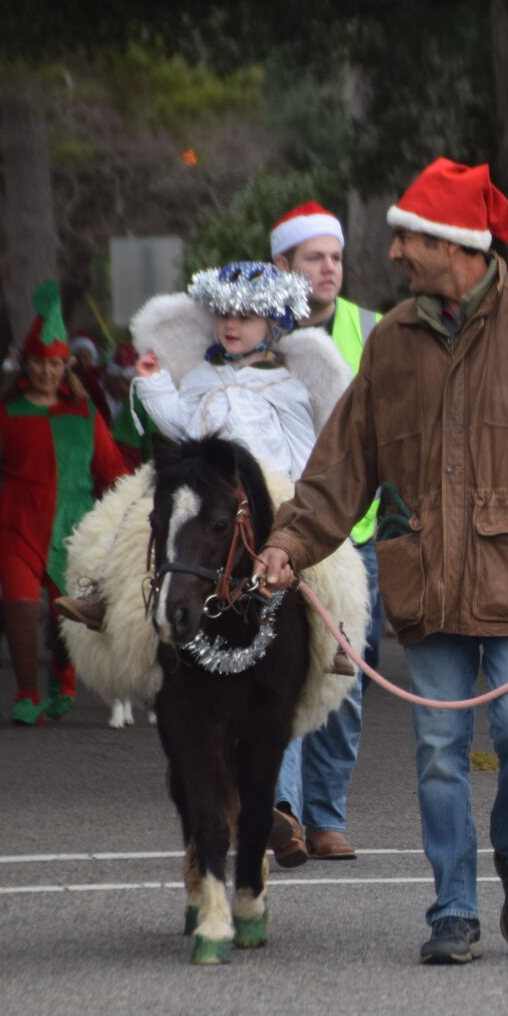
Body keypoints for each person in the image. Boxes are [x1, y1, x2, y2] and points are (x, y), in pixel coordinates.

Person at [255, 157, 508, 966]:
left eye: (408, 239)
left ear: (458, 247)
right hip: (425, 583)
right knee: (436, 750)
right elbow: (341, 464)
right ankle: (453, 907)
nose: (392, 253)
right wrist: (289, 542)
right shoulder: (391, 341)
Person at [54, 262, 355, 859]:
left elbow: (307, 454)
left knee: (329, 559)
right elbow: (178, 429)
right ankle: (104, 593)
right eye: (223, 314)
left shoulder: (291, 388)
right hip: (201, 494)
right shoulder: (198, 378)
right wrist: (153, 387)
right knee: (135, 510)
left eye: (245, 315)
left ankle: (333, 628)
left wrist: (283, 498)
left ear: (274, 322)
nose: (231, 324)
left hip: (266, 494)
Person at [0, 282, 129, 725]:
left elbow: (114, 474)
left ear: (67, 366)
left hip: (76, 529)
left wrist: (130, 517)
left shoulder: (86, 416)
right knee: (21, 609)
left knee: (68, 621)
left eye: (54, 364)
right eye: (39, 363)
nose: (46, 372)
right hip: (17, 524)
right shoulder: (4, 415)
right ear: (26, 365)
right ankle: (26, 696)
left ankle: (64, 684)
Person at [271, 201, 385, 862]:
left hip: (352, 537)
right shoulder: (254, 326)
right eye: (314, 257)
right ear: (281, 265)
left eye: (336, 257)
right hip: (274, 534)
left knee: (342, 678)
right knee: (278, 671)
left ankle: (325, 816)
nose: (329, 268)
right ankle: (278, 810)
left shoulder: (371, 330)